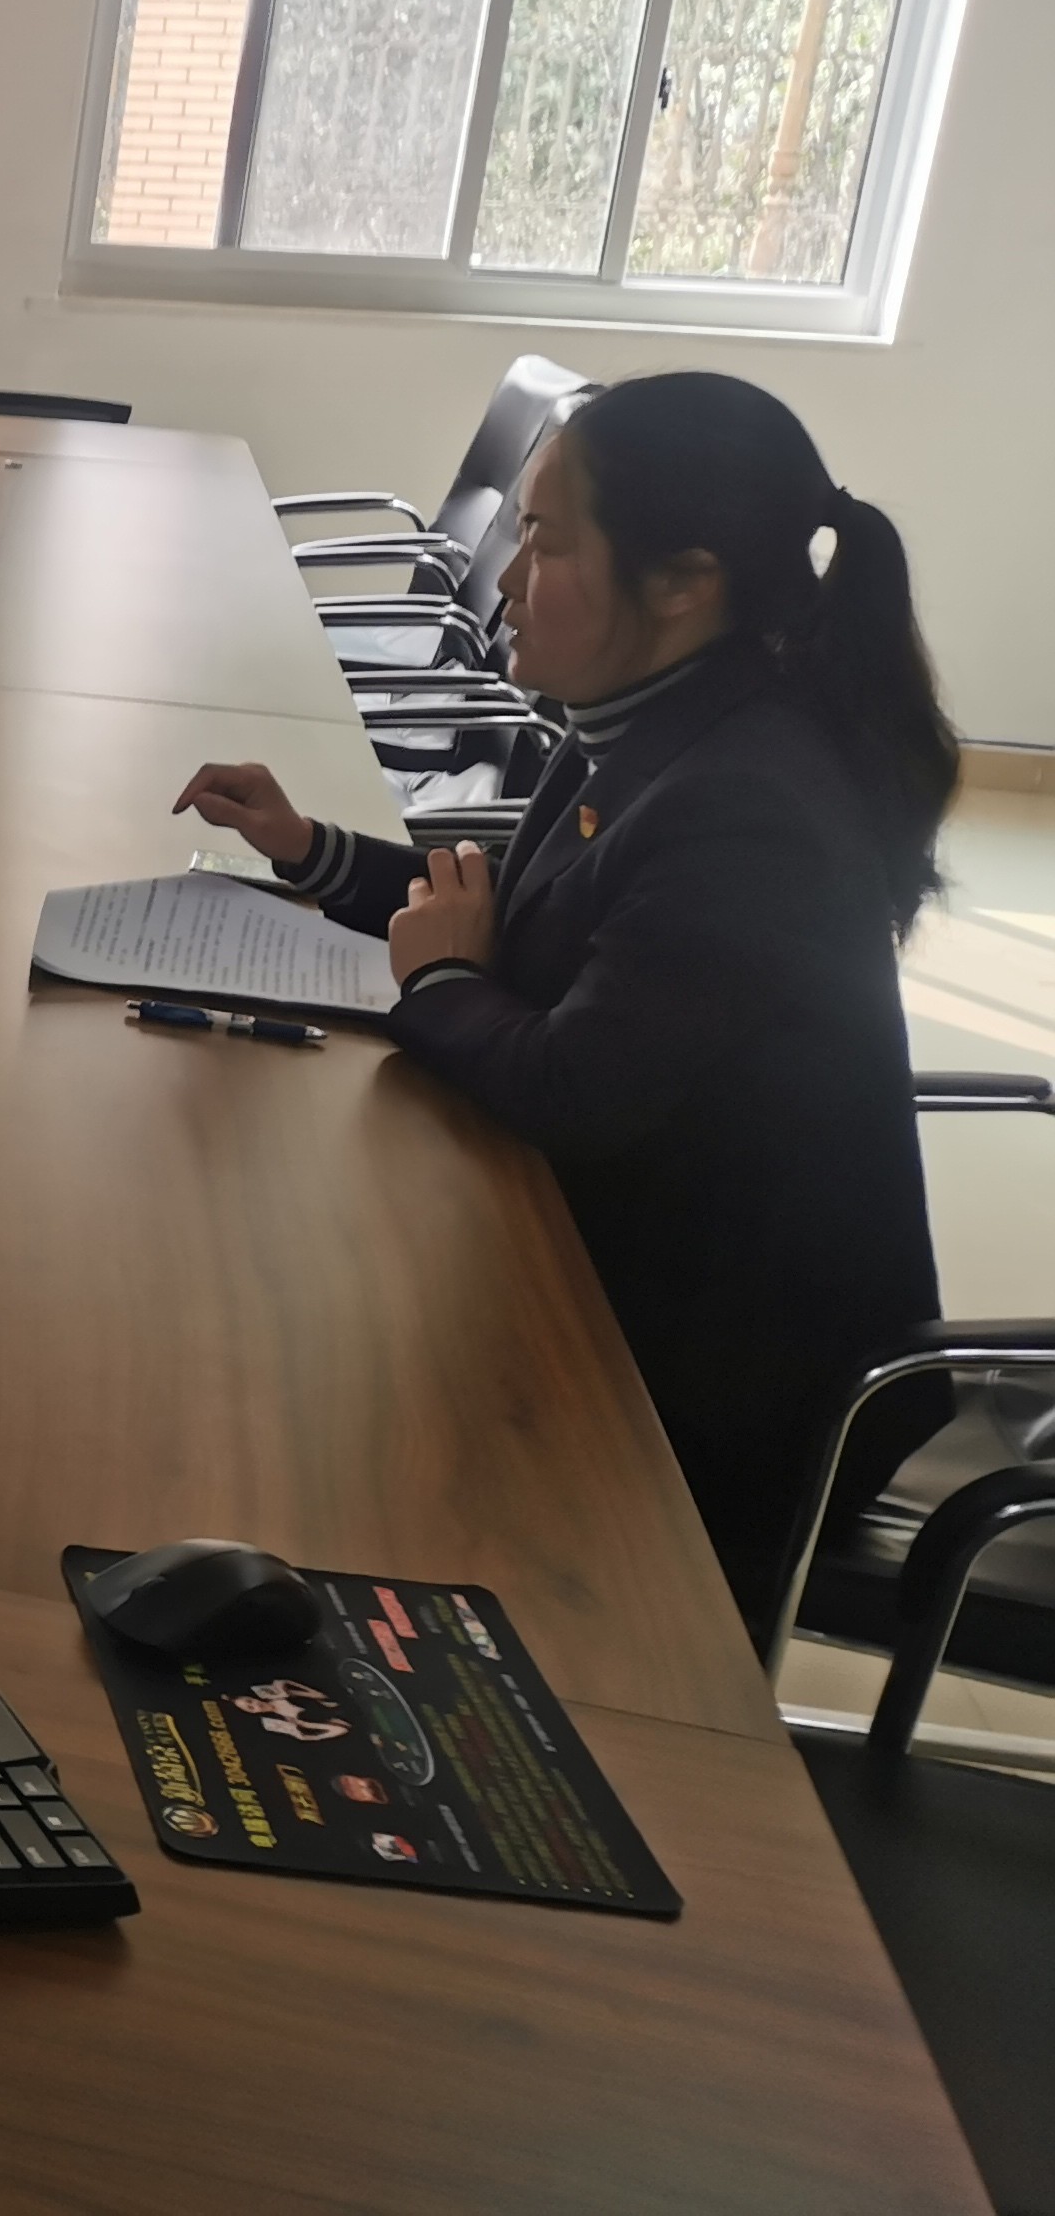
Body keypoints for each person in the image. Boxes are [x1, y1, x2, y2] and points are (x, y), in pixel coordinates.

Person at [178, 372, 959, 1637]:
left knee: (296, 1384)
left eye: (545, 543)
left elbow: (569, 1087)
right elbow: (523, 917)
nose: (504, 578)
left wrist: (439, 980)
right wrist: (315, 854)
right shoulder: (663, 719)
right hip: (634, 1269)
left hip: (733, 1392)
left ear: (684, 581)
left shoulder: (746, 804)